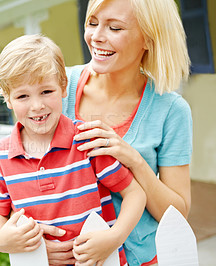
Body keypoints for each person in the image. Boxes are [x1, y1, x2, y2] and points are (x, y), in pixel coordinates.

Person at [42, 0, 192, 265]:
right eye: (92, 23)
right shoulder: (55, 89)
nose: (96, 37)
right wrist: (34, 241)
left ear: (149, 37)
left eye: (115, 27)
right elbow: (21, 174)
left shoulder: (171, 110)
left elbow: (177, 214)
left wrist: (134, 160)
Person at [0, 34, 146, 266]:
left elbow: (135, 194)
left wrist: (113, 238)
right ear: (8, 99)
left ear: (63, 87)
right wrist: (0, 240)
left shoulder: (86, 141)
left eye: (46, 92)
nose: (37, 105)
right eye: (22, 96)